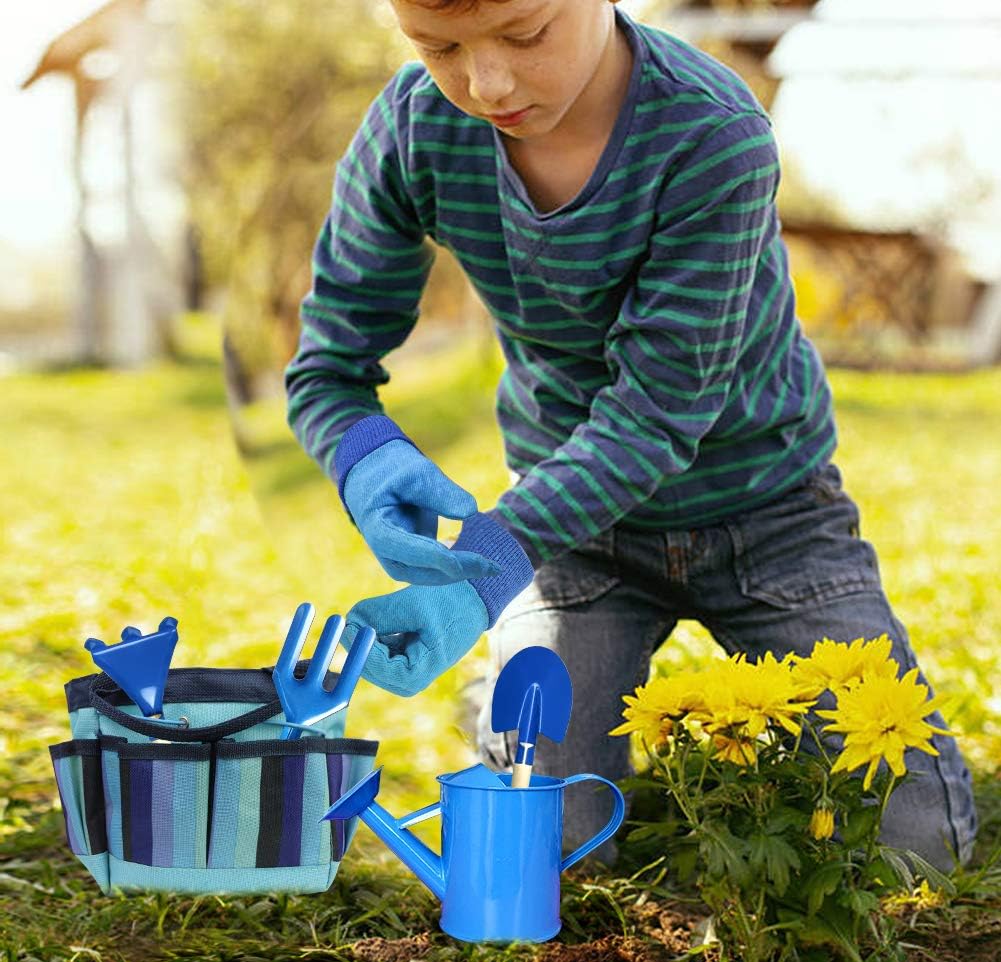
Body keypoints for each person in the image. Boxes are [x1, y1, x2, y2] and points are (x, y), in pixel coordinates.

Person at [284, 0, 976, 871]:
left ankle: (510, 657)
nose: (485, 83)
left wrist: (485, 568)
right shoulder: (414, 130)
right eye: (437, 47)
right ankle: (507, 673)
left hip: (769, 515)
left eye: (525, 35)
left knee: (909, 848)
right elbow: (327, 365)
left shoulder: (708, 133)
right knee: (547, 849)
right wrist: (365, 457)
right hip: (574, 539)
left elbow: (654, 414)